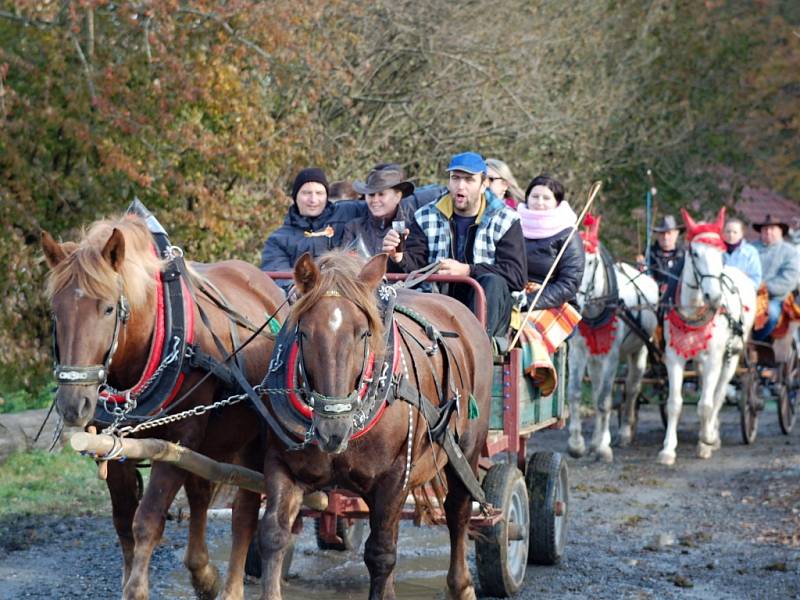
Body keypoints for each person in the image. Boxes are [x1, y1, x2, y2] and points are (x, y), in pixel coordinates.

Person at [383, 151, 526, 341]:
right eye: (455, 178)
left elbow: (516, 276)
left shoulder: (506, 219)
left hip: (486, 312)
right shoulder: (425, 216)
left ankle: (478, 346)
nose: (460, 186)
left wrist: (468, 271)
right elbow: (415, 267)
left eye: (469, 180)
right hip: (437, 305)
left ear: (483, 185)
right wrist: (398, 257)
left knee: (493, 282)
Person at [260, 167, 365, 291]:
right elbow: (277, 273)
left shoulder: (348, 211)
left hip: (345, 295)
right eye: (306, 193)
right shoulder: (278, 239)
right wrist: (295, 288)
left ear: (327, 196)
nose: (313, 200)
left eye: (319, 193)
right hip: (303, 299)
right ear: (295, 197)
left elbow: (378, 206)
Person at [518, 174, 584, 309]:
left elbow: (569, 283)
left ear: (557, 202)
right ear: (527, 198)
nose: (539, 202)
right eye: (535, 196)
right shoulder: (512, 225)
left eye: (546, 198)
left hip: (551, 304)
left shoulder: (567, 234)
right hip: (512, 297)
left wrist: (527, 302)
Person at [341, 164, 416, 265]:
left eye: (381, 194)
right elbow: (345, 264)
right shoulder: (353, 227)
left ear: (397, 196)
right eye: (371, 194)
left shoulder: (410, 227)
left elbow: (415, 267)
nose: (375, 200)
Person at [751, 215, 800, 340]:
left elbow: (788, 279)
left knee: (771, 314)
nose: (768, 231)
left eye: (772, 228)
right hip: (745, 295)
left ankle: (754, 341)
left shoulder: (790, 252)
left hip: (773, 298)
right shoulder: (750, 248)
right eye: (764, 229)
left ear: (780, 231)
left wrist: (761, 288)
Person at [646, 214, 686, 297]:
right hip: (655, 299)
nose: (665, 237)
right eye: (662, 233)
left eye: (669, 233)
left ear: (676, 233)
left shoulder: (685, 255)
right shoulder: (649, 254)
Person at [722, 217, 761, 287]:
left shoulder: (750, 252)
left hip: (743, 293)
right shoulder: (716, 251)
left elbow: (756, 280)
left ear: (741, 234)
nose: (731, 235)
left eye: (735, 232)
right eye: (728, 231)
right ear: (723, 232)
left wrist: (741, 277)